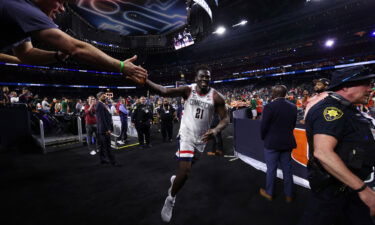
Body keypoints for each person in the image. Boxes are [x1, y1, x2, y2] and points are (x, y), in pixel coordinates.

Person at [145, 65, 229, 223]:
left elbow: (225, 119)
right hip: (186, 135)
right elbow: (163, 91)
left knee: (185, 171)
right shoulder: (188, 90)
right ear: (196, 78)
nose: (204, 79)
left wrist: (216, 130)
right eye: (201, 77)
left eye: (207, 77)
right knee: (186, 171)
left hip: (202, 138)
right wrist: (145, 81)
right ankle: (170, 199)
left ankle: (175, 180)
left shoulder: (216, 97)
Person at [0, 0, 147, 85]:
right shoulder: (27, 10)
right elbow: (76, 48)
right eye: (60, 1)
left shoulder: (19, 13)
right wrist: (121, 66)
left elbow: (26, 54)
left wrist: (57, 56)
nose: (62, 8)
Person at [299, 66, 375, 225]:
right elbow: (323, 153)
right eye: (365, 84)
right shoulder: (331, 109)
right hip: (334, 193)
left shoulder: (347, 108)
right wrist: (362, 189)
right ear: (346, 86)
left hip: (348, 188)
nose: (370, 88)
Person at [259, 85, 297, 202]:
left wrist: (264, 137)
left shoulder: (269, 106)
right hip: (287, 142)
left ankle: (269, 193)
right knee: (288, 169)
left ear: (274, 94)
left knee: (271, 169)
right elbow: (293, 125)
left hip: (272, 143)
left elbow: (263, 126)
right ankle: (289, 195)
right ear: (285, 94)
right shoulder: (293, 107)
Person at [95, 92, 121, 167]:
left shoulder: (102, 104)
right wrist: (107, 129)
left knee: (102, 146)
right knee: (107, 146)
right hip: (104, 130)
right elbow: (102, 119)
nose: (105, 97)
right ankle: (113, 162)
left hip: (102, 129)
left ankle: (103, 160)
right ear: (99, 97)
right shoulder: (99, 105)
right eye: (103, 96)